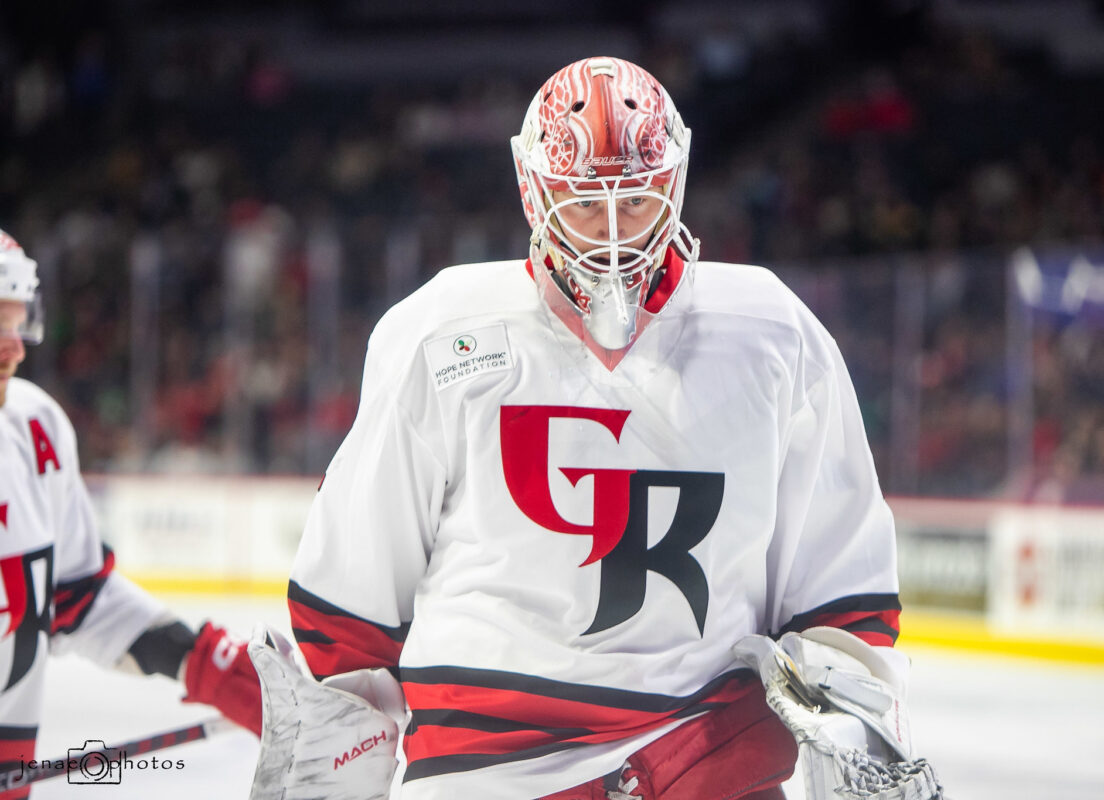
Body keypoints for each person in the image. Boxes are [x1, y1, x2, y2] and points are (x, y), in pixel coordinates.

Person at [254, 56, 924, 799]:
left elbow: (843, 593)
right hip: (489, 777)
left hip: (705, 771)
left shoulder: (773, 334)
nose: (611, 234)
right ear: (534, 191)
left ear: (674, 183)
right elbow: (351, 603)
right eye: (582, 203)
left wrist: (852, 721)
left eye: (635, 200)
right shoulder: (442, 336)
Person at [0, 229, 262, 799]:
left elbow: (76, 597)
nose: (15, 349)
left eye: (17, 323)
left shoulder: (34, 429)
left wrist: (204, 664)